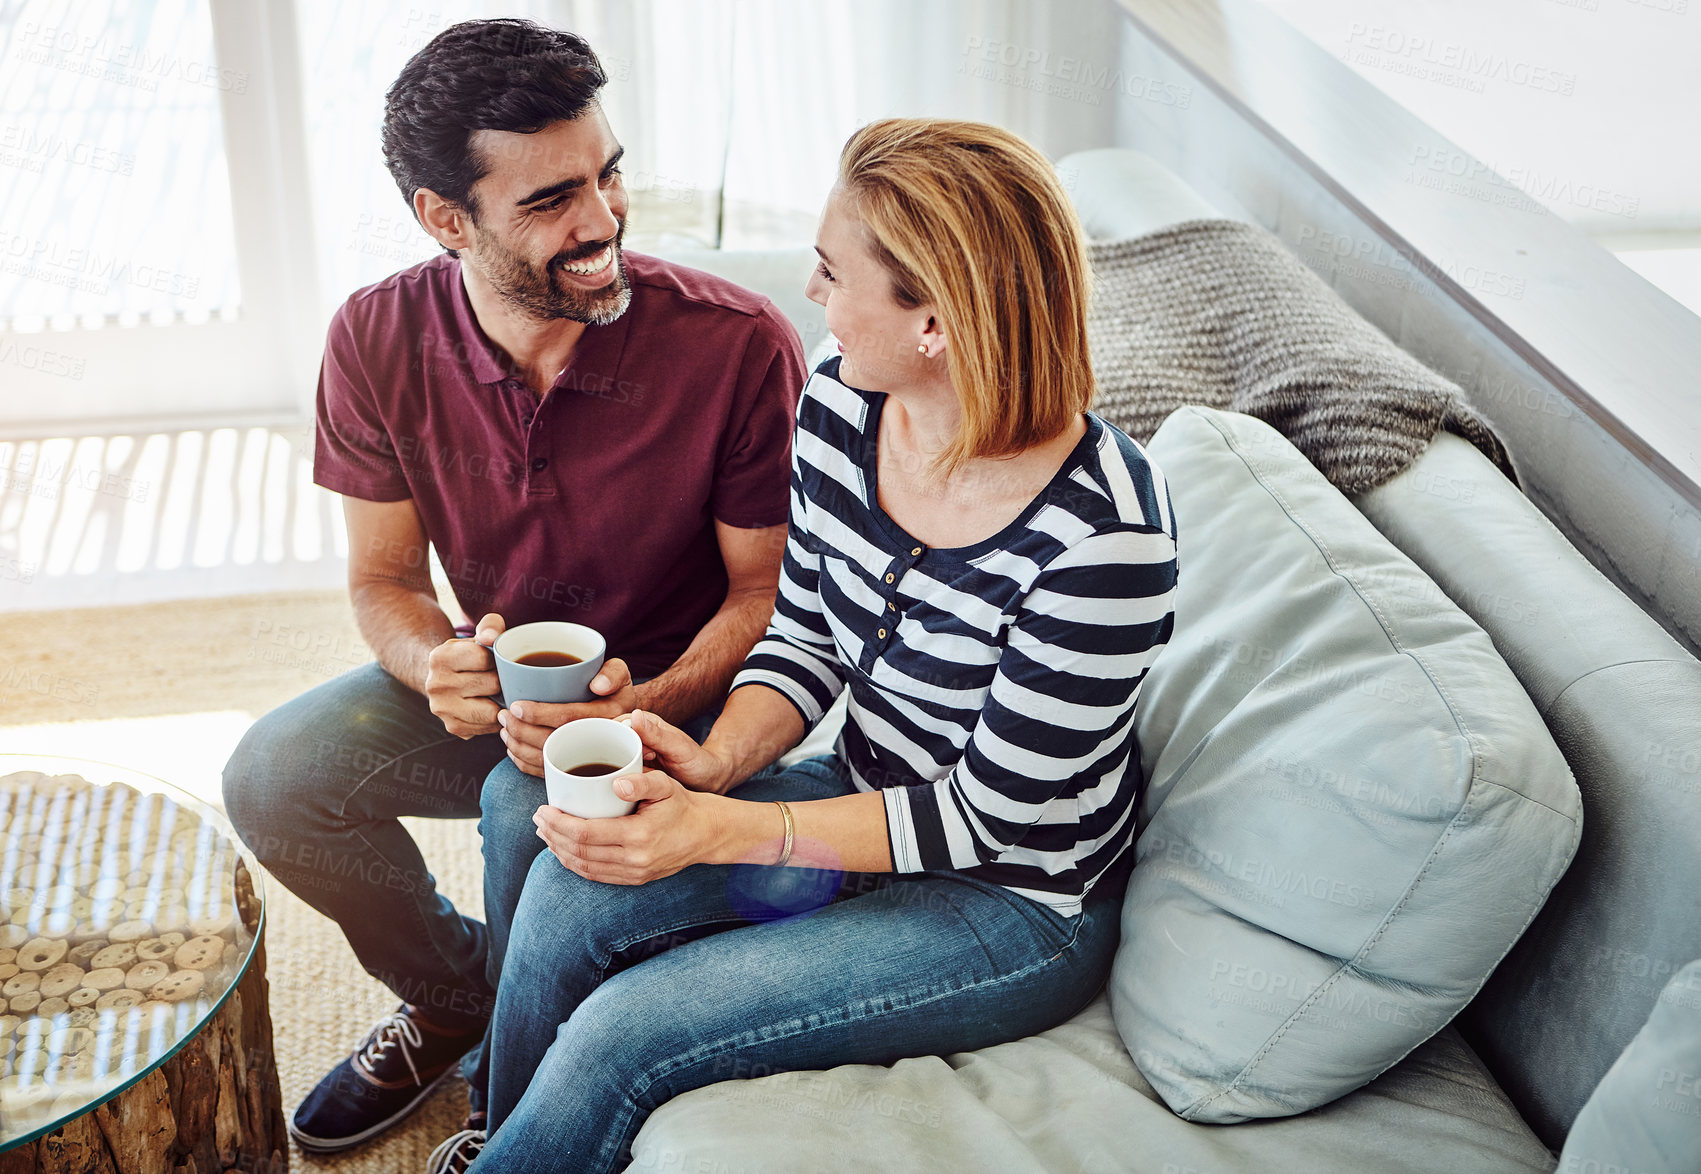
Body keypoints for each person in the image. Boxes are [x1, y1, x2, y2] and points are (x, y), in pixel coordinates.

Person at [438, 117, 1179, 1174]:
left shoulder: (1106, 540)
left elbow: (986, 815)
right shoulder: (842, 397)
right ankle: (501, 1140)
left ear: (937, 320)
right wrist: (718, 760)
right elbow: (811, 629)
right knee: (566, 893)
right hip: (858, 797)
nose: (813, 295)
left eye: (833, 274)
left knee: (626, 1033)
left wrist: (720, 831)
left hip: (1009, 903)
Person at [219, 18, 803, 1154]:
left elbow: (767, 593)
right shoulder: (376, 337)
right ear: (446, 219)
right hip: (502, 694)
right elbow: (384, 578)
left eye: (609, 173)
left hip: (672, 708)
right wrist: (430, 661)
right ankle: (459, 1002)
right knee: (274, 774)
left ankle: (508, 1091)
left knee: (513, 812)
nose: (602, 222)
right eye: (548, 202)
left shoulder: (736, 348)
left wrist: (653, 702)